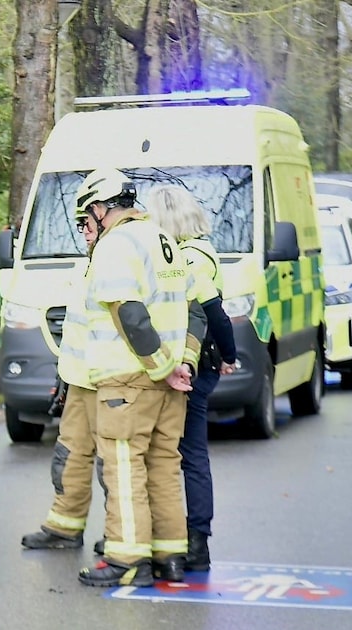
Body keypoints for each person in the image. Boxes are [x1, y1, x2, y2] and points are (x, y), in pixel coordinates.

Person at [72, 168, 206, 587]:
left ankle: (127, 559)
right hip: (168, 380)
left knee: (124, 467)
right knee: (165, 465)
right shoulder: (163, 238)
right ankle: (170, 556)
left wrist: (162, 368)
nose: (87, 226)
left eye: (86, 217)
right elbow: (194, 310)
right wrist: (184, 364)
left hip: (129, 379)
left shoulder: (116, 245)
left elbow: (128, 312)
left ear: (99, 208)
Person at [146, 185, 238, 572]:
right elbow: (219, 313)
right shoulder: (204, 252)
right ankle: (194, 540)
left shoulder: (185, 259)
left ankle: (187, 540)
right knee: (190, 453)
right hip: (203, 363)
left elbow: (211, 312)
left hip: (187, 366)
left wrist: (221, 356)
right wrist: (229, 355)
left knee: (180, 453)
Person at [20, 210, 103, 551]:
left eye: (88, 224)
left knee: (113, 463)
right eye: (79, 225)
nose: (83, 231)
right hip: (79, 377)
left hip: (107, 378)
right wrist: (64, 375)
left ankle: (123, 534)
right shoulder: (87, 262)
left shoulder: (116, 259)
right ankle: (64, 527)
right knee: (69, 455)